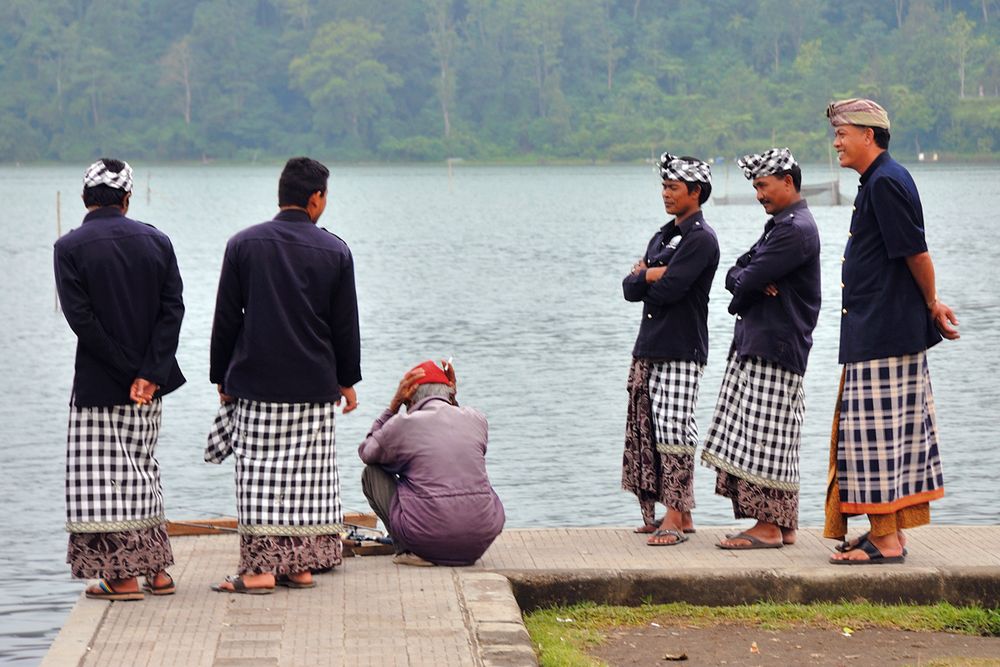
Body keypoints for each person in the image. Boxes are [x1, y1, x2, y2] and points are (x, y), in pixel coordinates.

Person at [209, 157, 361, 593]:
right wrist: (347, 380)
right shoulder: (335, 250)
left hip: (257, 385)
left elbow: (226, 318)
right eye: (325, 197)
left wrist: (221, 375)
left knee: (258, 476)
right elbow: (344, 324)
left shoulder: (243, 244)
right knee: (306, 479)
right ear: (315, 198)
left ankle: (259, 571)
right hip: (314, 386)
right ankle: (299, 566)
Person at [824, 99, 959, 565]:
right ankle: (890, 535)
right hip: (880, 328)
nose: (837, 141)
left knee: (874, 439)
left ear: (869, 135)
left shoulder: (885, 183)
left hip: (884, 330)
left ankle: (885, 542)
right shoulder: (879, 180)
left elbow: (916, 253)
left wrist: (931, 303)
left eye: (843, 133)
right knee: (883, 436)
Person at [54, 158, 185, 601]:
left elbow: (83, 322)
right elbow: (172, 312)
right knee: (143, 470)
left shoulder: (69, 246)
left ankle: (122, 578)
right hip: (151, 385)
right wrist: (149, 373)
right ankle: (157, 573)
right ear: (127, 199)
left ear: (85, 198)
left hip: (99, 383)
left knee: (101, 481)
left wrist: (127, 371)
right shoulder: (157, 240)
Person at [700, 148, 821, 550]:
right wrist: (747, 279)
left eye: (763, 186)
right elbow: (738, 271)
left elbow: (747, 277)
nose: (758, 194)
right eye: (755, 187)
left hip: (775, 344)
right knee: (773, 436)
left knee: (764, 438)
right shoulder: (783, 225)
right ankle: (782, 525)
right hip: (771, 341)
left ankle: (767, 527)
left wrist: (748, 281)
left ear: (788, 181)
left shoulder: (793, 229)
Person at [621, 153, 720, 546]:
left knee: (675, 430)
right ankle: (680, 513)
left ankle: (676, 516)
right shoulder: (664, 235)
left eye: (673, 187)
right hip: (650, 345)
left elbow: (670, 290)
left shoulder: (701, 239)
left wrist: (648, 274)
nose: (666, 193)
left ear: (695, 193)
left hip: (681, 347)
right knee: (649, 429)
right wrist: (651, 274)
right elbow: (630, 289)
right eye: (663, 186)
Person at [358, 360, 505, 567]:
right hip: (480, 539)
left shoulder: (403, 424)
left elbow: (367, 451)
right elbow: (450, 433)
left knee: (372, 472)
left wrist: (393, 406)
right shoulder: (477, 419)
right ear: (450, 394)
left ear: (409, 399)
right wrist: (452, 397)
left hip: (426, 539)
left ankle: (407, 551)